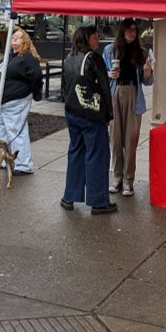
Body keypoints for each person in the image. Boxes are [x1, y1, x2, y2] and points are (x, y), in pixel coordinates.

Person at [61, 24, 116, 214]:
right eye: (94, 37)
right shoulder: (93, 58)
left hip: (72, 111)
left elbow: (64, 87)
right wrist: (109, 114)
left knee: (76, 152)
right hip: (92, 114)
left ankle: (70, 196)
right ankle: (99, 201)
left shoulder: (69, 58)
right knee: (97, 156)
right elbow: (104, 88)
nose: (97, 40)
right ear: (86, 38)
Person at [102, 18, 153, 196]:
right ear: (122, 31)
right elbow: (102, 77)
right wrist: (109, 74)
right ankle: (117, 179)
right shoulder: (110, 50)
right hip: (115, 93)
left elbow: (147, 81)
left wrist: (148, 72)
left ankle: (128, 181)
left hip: (134, 94)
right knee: (115, 139)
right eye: (129, 29)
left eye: (135, 30)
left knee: (131, 140)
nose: (132, 32)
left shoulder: (141, 52)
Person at [0, 27, 43, 175]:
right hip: (2, 102)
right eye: (12, 38)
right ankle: (7, 158)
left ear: (25, 40)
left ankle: (23, 164)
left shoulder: (27, 58)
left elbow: (36, 76)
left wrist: (34, 92)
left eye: (17, 37)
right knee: (3, 131)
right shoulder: (11, 56)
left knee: (16, 131)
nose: (13, 40)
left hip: (16, 101)